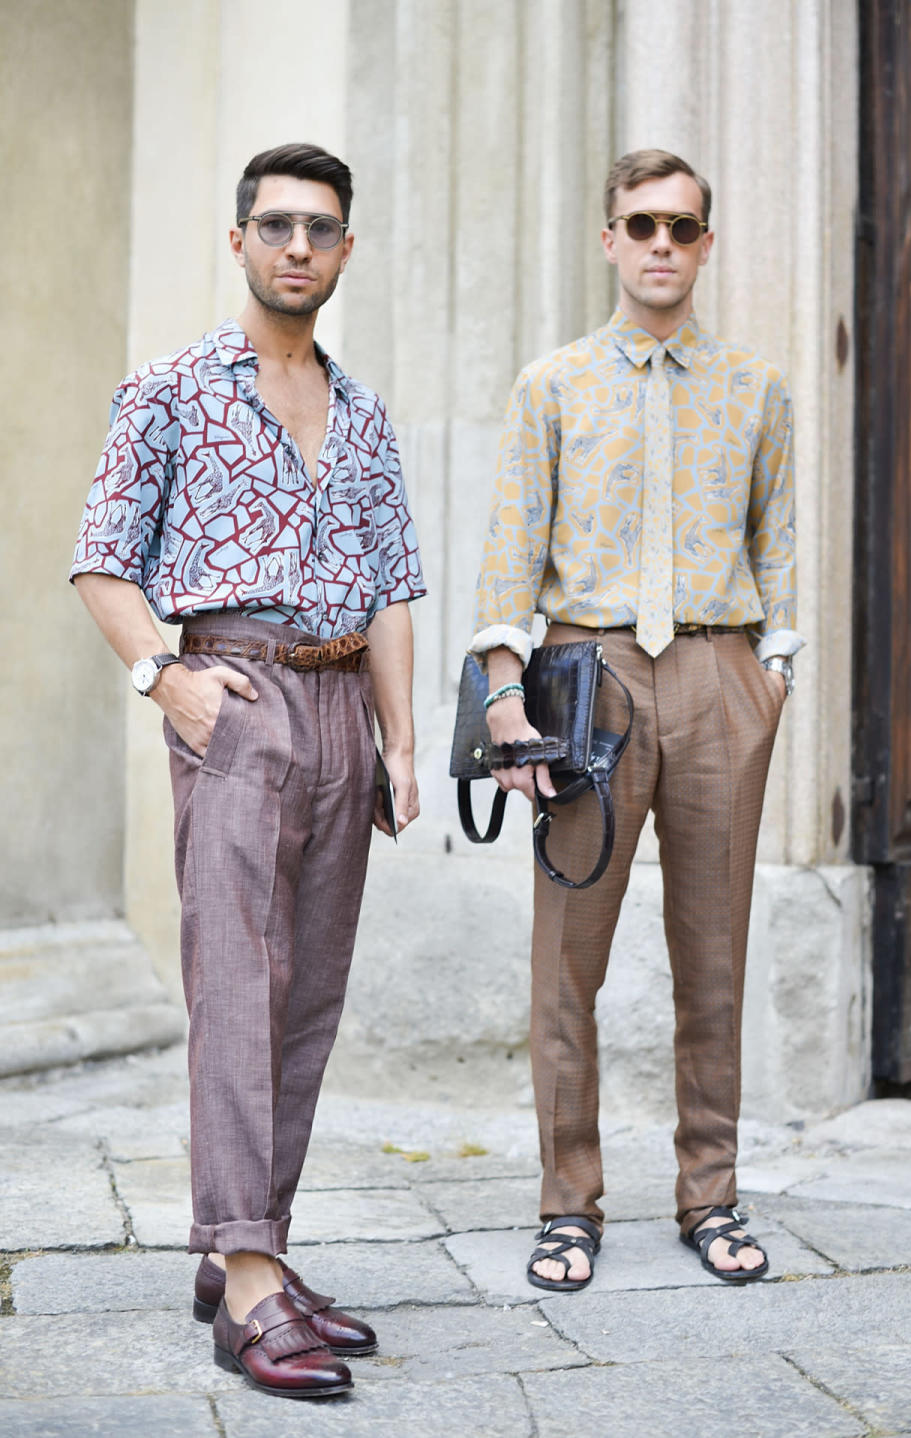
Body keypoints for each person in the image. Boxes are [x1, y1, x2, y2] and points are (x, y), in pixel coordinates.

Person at [71, 142, 425, 1397]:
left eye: (320, 229)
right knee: (238, 986)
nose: (297, 246)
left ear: (344, 251)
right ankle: (253, 1281)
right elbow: (103, 559)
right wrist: (165, 679)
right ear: (239, 243)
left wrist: (399, 740)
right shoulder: (169, 389)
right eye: (274, 225)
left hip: (342, 708)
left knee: (308, 995)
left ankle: (245, 1248)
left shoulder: (367, 412)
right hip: (235, 693)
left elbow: (390, 590)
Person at [469, 148, 803, 1292]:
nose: (662, 243)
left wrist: (768, 680)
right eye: (641, 224)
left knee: (712, 955)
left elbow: (780, 545)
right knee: (569, 959)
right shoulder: (552, 384)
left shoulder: (758, 389)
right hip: (588, 682)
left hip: (717, 674)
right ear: (609, 239)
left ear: (705, 244)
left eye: (682, 226)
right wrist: (508, 705)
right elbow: (510, 552)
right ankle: (569, 1202)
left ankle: (710, 1191)